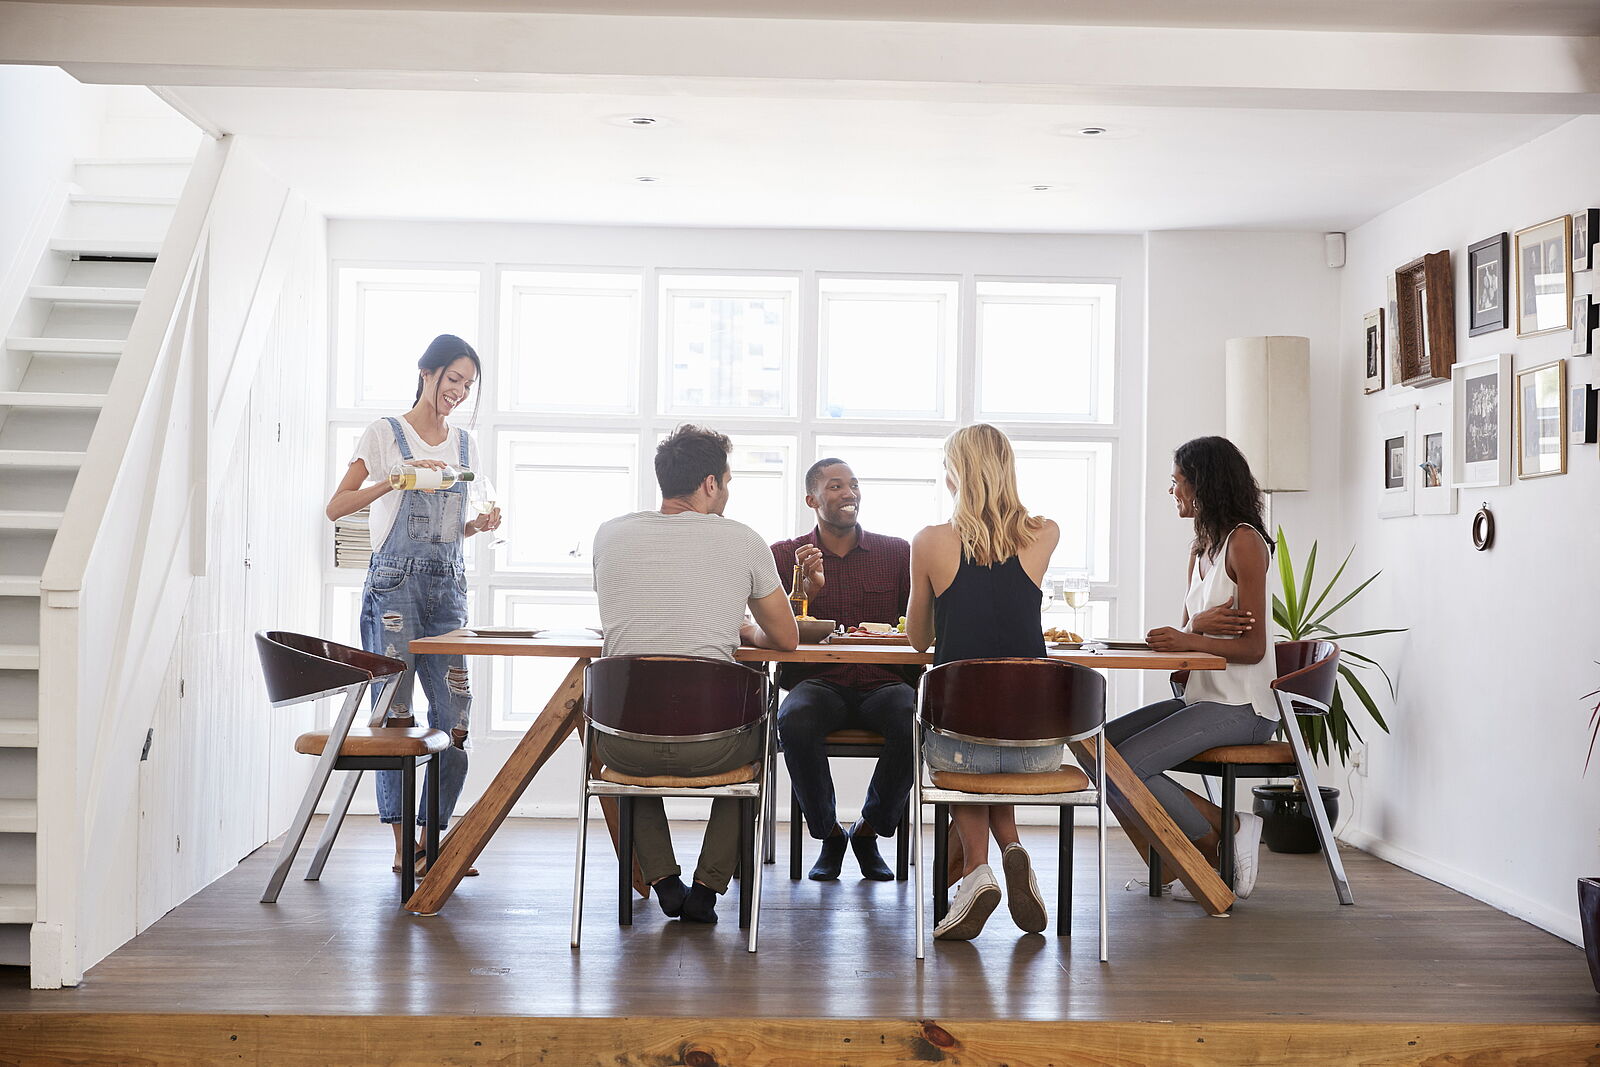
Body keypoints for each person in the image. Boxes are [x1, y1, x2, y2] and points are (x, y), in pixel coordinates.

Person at [592, 424, 799, 924]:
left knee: (631, 729)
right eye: (726, 482)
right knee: (760, 738)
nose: (727, 493)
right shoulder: (743, 540)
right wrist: (746, 633)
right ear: (710, 484)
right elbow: (788, 640)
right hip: (715, 743)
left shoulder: (609, 534)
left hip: (622, 743)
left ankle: (663, 881)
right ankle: (707, 887)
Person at [324, 334, 502, 876]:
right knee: (396, 719)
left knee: (454, 719)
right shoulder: (385, 434)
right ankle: (405, 849)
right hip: (394, 587)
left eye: (468, 386)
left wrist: (478, 524)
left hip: (448, 590)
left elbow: (446, 530)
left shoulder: (466, 446)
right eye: (453, 380)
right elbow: (336, 507)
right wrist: (391, 482)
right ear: (427, 373)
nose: (459, 393)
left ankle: (434, 838)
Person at [907, 423, 1060, 941]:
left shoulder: (930, 542)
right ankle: (1012, 849)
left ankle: (977, 870)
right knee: (999, 728)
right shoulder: (1045, 534)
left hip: (960, 747)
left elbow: (916, 640)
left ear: (956, 473)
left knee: (969, 731)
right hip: (1035, 748)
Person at [1107, 435, 1277, 902]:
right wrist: (1195, 628)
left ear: (1204, 484)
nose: (1172, 490)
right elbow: (1189, 644)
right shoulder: (1199, 550)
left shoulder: (1244, 543)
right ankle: (1187, 854)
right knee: (1100, 749)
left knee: (1131, 765)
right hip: (1203, 699)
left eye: (1177, 481)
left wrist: (1190, 635)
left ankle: (1218, 837)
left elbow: (1256, 647)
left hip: (1244, 706)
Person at [770, 459, 916, 882]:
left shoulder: (897, 552)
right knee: (794, 720)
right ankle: (829, 833)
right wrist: (804, 591)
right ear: (812, 499)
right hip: (819, 682)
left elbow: (918, 626)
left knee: (913, 721)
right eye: (836, 486)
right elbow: (776, 629)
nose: (849, 493)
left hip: (884, 682)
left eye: (853, 484)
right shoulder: (784, 556)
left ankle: (869, 830)